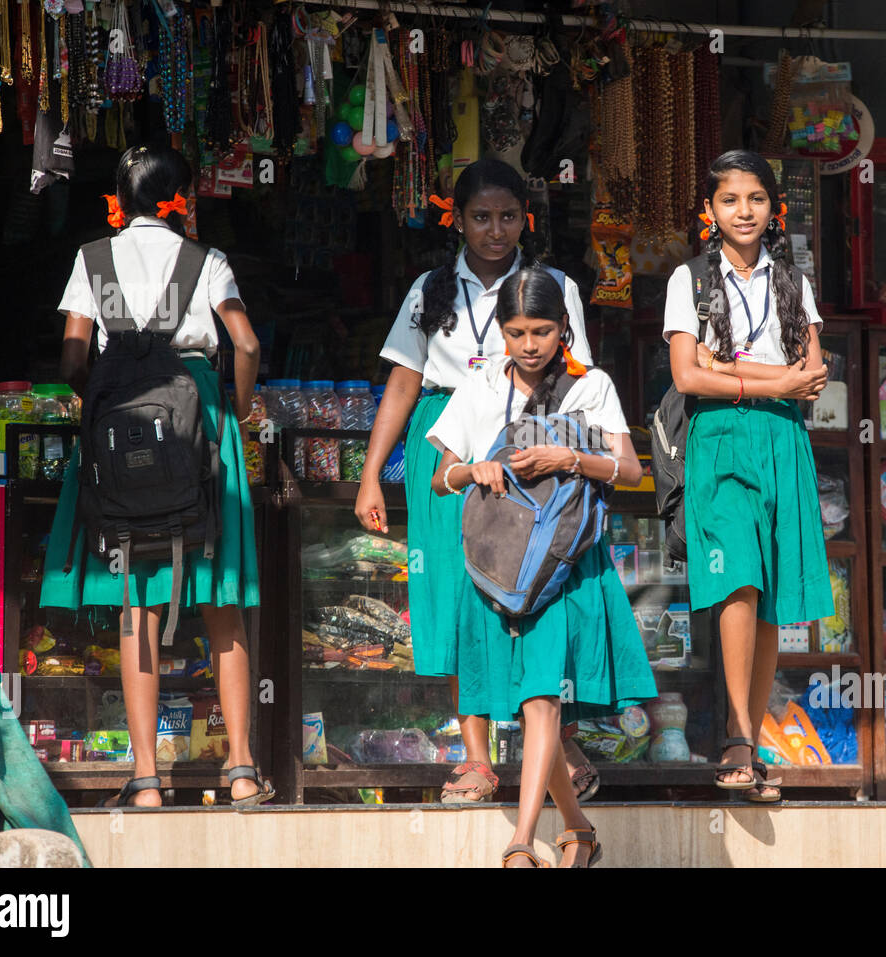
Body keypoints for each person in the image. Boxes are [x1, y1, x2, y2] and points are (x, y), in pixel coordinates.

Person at [356, 158, 602, 803]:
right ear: (456, 219)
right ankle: (474, 758)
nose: (494, 231)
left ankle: (557, 742)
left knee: (543, 586)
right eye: (480, 217)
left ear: (526, 218)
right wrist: (371, 475)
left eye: (507, 217)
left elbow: (578, 379)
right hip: (449, 441)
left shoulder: (555, 284)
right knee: (461, 593)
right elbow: (404, 384)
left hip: (534, 436)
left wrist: (567, 455)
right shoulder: (430, 289)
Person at [40, 144, 270, 808]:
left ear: (119, 199)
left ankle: (143, 778)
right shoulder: (207, 261)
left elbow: (74, 357)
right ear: (182, 200)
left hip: (119, 427)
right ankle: (243, 769)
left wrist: (115, 401)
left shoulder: (92, 260)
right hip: (199, 420)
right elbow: (247, 344)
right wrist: (238, 408)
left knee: (135, 603)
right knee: (221, 599)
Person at [427, 266, 656, 865]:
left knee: (541, 700)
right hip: (498, 566)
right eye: (517, 331)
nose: (529, 345)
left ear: (564, 329)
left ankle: (521, 841)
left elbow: (631, 472)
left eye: (543, 331)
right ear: (501, 331)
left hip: (565, 567)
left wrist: (572, 457)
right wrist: (472, 470)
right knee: (533, 702)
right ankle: (577, 830)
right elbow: (439, 476)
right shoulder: (478, 386)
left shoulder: (592, 385)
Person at [664, 149, 834, 803]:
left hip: (783, 440)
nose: (743, 211)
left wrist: (734, 369)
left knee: (772, 595)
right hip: (720, 438)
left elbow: (813, 376)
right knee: (736, 576)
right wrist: (773, 379)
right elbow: (687, 375)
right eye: (730, 200)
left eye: (756, 199)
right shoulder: (689, 279)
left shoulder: (794, 280)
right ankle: (736, 734)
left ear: (773, 207)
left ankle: (750, 734)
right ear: (709, 210)